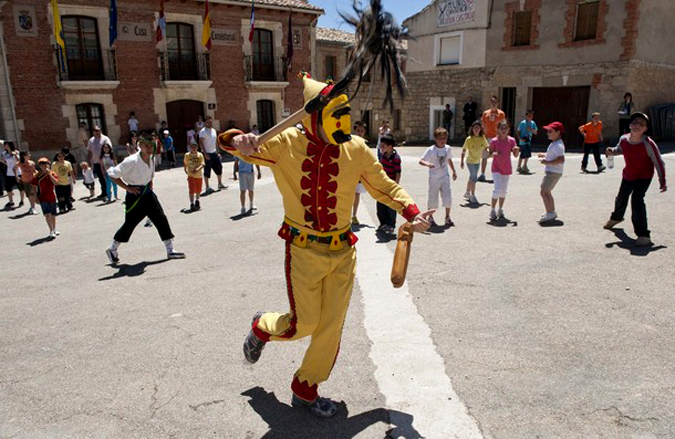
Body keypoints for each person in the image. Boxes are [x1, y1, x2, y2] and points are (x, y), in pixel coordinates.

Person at [218, 74, 432, 418]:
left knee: (331, 326)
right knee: (303, 325)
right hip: (303, 251)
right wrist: (239, 140)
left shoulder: (357, 149)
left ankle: (306, 387)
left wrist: (414, 213)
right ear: (314, 116)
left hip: (342, 253)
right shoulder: (285, 143)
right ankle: (262, 327)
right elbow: (233, 145)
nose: (344, 122)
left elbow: (385, 187)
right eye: (337, 114)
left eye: (345, 114)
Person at [105, 132, 186, 263]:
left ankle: (170, 250)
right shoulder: (131, 161)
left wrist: (150, 182)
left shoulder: (152, 157)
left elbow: (150, 174)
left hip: (148, 193)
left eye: (152, 145)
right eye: (147, 145)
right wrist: (128, 188)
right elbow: (112, 174)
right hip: (135, 195)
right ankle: (112, 248)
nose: (150, 148)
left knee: (161, 218)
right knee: (130, 224)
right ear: (141, 145)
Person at [604, 112, 667, 246]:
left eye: (641, 124)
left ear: (645, 129)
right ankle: (616, 218)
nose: (637, 125)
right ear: (630, 125)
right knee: (621, 197)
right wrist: (612, 151)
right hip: (629, 174)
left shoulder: (648, 143)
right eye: (635, 123)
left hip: (644, 176)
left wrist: (662, 180)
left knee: (637, 200)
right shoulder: (624, 139)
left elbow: (659, 162)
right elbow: (620, 149)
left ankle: (644, 235)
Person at [419, 127, 457, 227]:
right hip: (434, 177)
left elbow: (449, 160)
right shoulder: (431, 150)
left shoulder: (447, 148)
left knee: (447, 196)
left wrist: (453, 171)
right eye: (440, 138)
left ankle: (447, 217)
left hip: (445, 176)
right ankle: (430, 217)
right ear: (435, 139)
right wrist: (428, 164)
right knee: (433, 197)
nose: (442, 141)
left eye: (444, 138)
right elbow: (421, 160)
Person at [488, 120, 519, 220]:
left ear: (509, 129)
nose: (504, 130)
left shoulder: (512, 140)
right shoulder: (494, 141)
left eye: (506, 128)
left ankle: (500, 209)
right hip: (496, 168)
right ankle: (492, 209)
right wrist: (495, 154)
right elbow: (488, 154)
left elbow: (515, 155)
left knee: (504, 191)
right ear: (498, 129)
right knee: (497, 189)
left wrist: (516, 150)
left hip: (506, 168)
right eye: (501, 128)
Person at [538, 122, 566, 223]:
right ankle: (551, 212)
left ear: (558, 132)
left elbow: (561, 159)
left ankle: (550, 213)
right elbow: (553, 154)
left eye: (550, 131)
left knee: (544, 191)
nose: (548, 133)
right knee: (547, 192)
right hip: (552, 172)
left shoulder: (558, 145)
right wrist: (545, 155)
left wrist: (547, 162)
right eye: (548, 131)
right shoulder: (555, 143)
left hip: (553, 172)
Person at [376, 134, 401, 234]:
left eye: (383, 146)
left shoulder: (396, 158)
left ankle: (391, 225)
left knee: (391, 206)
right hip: (382, 184)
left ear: (390, 147)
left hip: (391, 185)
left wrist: (396, 185)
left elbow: (398, 173)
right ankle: (383, 223)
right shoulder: (382, 155)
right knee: (380, 204)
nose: (381, 148)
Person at [460, 120, 488, 205]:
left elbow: (486, 147)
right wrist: (462, 161)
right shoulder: (469, 139)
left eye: (478, 128)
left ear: (480, 129)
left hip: (477, 161)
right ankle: (473, 195)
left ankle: (467, 192)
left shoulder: (482, 138)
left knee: (472, 178)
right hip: (470, 162)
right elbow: (464, 150)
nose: (476, 129)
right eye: (475, 128)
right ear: (472, 129)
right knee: (474, 178)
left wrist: (488, 152)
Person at [31, 158, 59, 238]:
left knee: (53, 214)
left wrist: (49, 174)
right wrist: (35, 197)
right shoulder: (37, 175)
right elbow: (34, 187)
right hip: (42, 197)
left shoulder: (52, 173)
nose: (43, 166)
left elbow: (56, 183)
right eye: (41, 164)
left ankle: (54, 228)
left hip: (51, 196)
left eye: (45, 164)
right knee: (47, 214)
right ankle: (51, 230)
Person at [480, 96, 506, 181]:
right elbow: (483, 124)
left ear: (498, 103)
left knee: (498, 156)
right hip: (487, 137)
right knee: (484, 156)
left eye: (495, 102)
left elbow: (503, 126)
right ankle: (482, 174)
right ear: (490, 103)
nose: (494, 104)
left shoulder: (501, 114)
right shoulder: (486, 113)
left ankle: (498, 174)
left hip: (497, 138)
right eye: (492, 102)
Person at [199, 116, 226, 192]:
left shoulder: (214, 130)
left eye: (211, 122)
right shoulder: (203, 131)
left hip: (214, 153)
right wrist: (205, 154)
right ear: (205, 123)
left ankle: (220, 184)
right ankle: (207, 187)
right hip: (207, 153)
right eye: (208, 122)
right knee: (207, 170)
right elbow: (200, 143)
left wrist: (218, 152)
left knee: (219, 168)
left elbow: (216, 142)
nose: (210, 123)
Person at [87, 126, 112, 198]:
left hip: (105, 161)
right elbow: (89, 151)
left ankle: (108, 191)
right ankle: (104, 192)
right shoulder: (91, 140)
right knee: (101, 177)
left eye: (98, 130)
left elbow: (109, 149)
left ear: (101, 130)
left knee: (106, 177)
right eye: (95, 130)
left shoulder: (105, 139)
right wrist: (89, 160)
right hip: (96, 162)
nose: (97, 132)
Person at [351, 121, 368, 225]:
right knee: (348, 195)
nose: (360, 133)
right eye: (358, 131)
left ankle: (354, 215)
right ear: (354, 131)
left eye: (362, 131)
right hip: (350, 172)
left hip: (359, 172)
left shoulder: (365, 143)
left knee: (357, 194)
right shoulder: (350, 142)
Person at [183, 141, 205, 212]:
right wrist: (185, 170)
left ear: (197, 148)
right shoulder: (187, 155)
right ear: (190, 148)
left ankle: (197, 201)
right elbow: (185, 163)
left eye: (195, 147)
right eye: (192, 147)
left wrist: (197, 169)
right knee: (192, 190)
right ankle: (192, 203)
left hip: (199, 175)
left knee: (198, 189)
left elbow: (203, 164)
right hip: (191, 175)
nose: (193, 148)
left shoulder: (200, 155)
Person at [516, 110, 538, 174]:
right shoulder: (523, 123)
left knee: (527, 154)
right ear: (526, 116)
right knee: (523, 154)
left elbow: (536, 132)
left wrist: (531, 130)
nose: (530, 117)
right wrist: (520, 138)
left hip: (528, 141)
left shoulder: (533, 123)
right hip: (523, 141)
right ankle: (519, 166)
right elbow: (518, 131)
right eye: (528, 115)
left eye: (531, 115)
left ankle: (525, 165)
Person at [1, 140, 19, 208]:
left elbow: (19, 161)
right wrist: (3, 161)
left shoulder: (16, 152)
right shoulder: (4, 153)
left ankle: (22, 200)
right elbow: (6, 162)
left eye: (6, 144)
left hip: (17, 172)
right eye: (4, 145)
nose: (5, 146)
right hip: (9, 172)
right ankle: (11, 201)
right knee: (8, 187)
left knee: (21, 188)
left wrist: (15, 155)